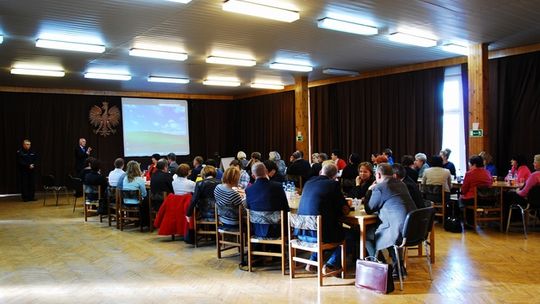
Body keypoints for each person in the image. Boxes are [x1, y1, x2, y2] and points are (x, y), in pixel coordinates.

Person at [364, 163, 417, 276]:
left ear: (378, 175)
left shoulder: (380, 187)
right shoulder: (401, 184)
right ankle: (398, 266)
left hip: (397, 230)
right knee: (387, 231)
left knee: (366, 234)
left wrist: (369, 190)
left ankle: (379, 265)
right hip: (412, 229)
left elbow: (369, 209)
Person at [296, 163, 349, 274]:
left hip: (301, 233)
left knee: (322, 229)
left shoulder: (308, 182)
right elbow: (344, 210)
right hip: (318, 235)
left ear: (321, 172)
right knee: (350, 235)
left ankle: (311, 262)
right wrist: (347, 204)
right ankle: (331, 264)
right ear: (335, 176)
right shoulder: (333, 184)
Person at [246, 162, 289, 238]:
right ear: (266, 171)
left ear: (253, 176)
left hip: (257, 230)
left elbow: (249, 209)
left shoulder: (249, 190)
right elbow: (286, 207)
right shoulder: (277, 186)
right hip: (276, 230)